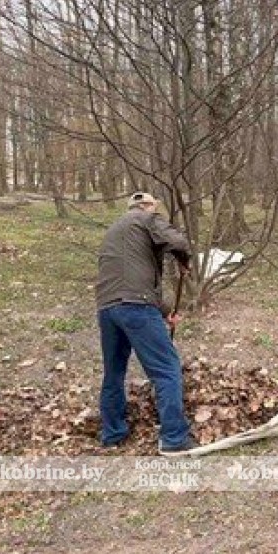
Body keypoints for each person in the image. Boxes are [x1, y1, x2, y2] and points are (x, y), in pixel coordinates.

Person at [95, 191, 195, 456]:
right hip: (136, 306)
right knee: (167, 368)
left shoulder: (114, 231)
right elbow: (177, 240)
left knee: (114, 372)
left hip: (107, 308)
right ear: (147, 207)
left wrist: (164, 313)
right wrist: (184, 259)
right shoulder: (147, 219)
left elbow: (131, 279)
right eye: (154, 207)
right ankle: (174, 438)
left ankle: (113, 433)